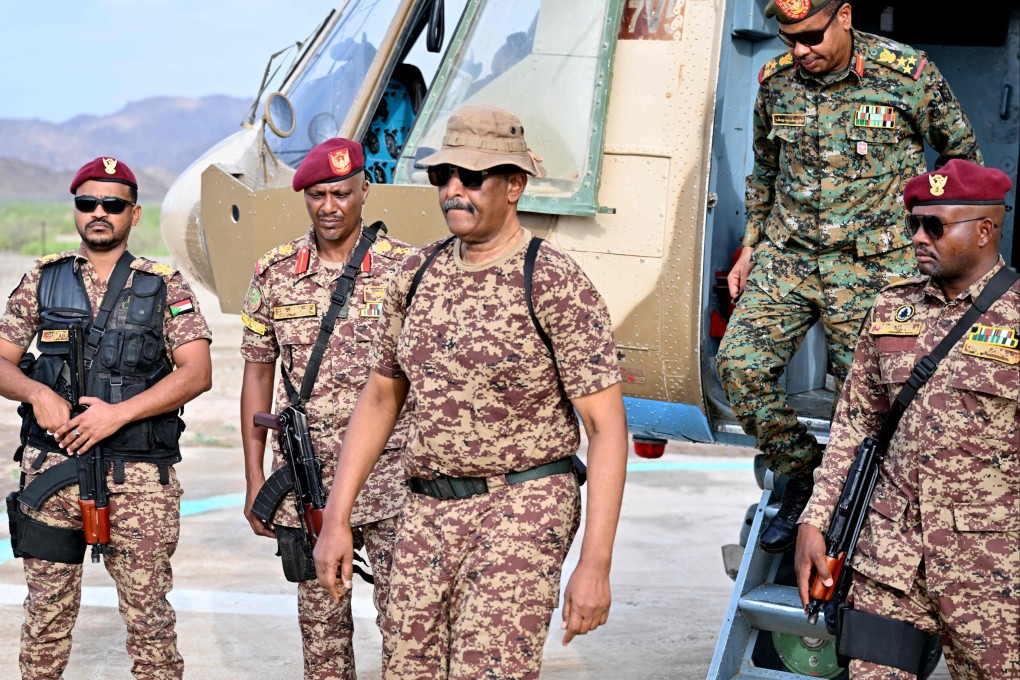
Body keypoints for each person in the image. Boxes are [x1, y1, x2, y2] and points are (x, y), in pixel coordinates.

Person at [312, 104, 628, 679]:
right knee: (407, 669)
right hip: (426, 509)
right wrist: (338, 517)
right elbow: (382, 398)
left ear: (514, 185)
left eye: (472, 178)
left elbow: (606, 430)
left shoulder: (552, 281)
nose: (455, 190)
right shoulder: (417, 273)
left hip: (521, 505)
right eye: (443, 176)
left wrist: (595, 563)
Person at [716, 0, 983, 553]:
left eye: (811, 37)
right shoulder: (776, 81)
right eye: (789, 39)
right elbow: (765, 168)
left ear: (844, 16)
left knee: (862, 399)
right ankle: (802, 473)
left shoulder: (905, 74)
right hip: (789, 257)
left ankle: (846, 510)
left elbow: (962, 154)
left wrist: (936, 235)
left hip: (875, 265)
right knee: (739, 369)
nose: (801, 51)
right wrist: (750, 247)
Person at [795, 159, 1018, 678]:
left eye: (935, 226)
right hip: (888, 558)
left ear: (984, 230)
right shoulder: (891, 309)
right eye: (913, 224)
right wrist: (815, 520)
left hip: (991, 569)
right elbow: (855, 426)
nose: (919, 237)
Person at [0, 157, 213, 679]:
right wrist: (37, 394)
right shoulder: (42, 280)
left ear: (133, 215)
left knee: (150, 624)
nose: (98, 213)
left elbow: (197, 371)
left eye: (112, 204)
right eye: (87, 203)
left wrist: (118, 414)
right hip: (51, 476)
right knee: (44, 620)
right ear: (76, 210)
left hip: (138, 478)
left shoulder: (162, 284)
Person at [239, 137, 413, 680]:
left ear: (366, 189)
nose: (330, 207)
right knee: (322, 641)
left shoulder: (406, 269)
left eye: (341, 192)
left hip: (392, 481)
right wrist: (253, 477)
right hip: (307, 482)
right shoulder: (274, 272)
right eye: (317, 195)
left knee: (408, 633)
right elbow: (258, 372)